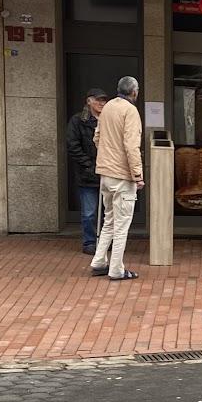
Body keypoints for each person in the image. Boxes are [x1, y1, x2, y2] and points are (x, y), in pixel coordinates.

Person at [89, 76, 144, 282]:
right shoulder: (130, 111)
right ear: (134, 92)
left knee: (109, 220)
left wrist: (107, 157)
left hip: (105, 173)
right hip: (122, 175)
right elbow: (131, 146)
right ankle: (116, 269)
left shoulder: (108, 107)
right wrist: (137, 175)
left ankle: (99, 261)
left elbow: (97, 137)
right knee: (122, 225)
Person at [66, 88, 107, 254]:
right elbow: (72, 145)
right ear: (89, 101)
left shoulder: (108, 119)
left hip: (107, 172)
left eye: (104, 100)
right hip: (87, 174)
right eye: (98, 100)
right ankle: (89, 242)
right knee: (89, 212)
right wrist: (88, 165)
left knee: (107, 212)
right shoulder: (77, 120)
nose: (101, 103)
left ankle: (104, 241)